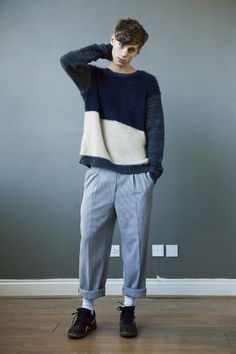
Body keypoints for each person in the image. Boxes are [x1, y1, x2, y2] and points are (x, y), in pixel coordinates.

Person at [60, 17, 165, 339]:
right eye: (120, 45)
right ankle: (87, 309)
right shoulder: (93, 78)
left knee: (134, 243)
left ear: (139, 51)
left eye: (132, 49)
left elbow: (156, 127)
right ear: (113, 41)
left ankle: (129, 307)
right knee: (91, 239)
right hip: (100, 170)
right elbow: (68, 60)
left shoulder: (147, 82)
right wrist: (104, 51)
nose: (124, 53)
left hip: (137, 173)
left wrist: (153, 172)